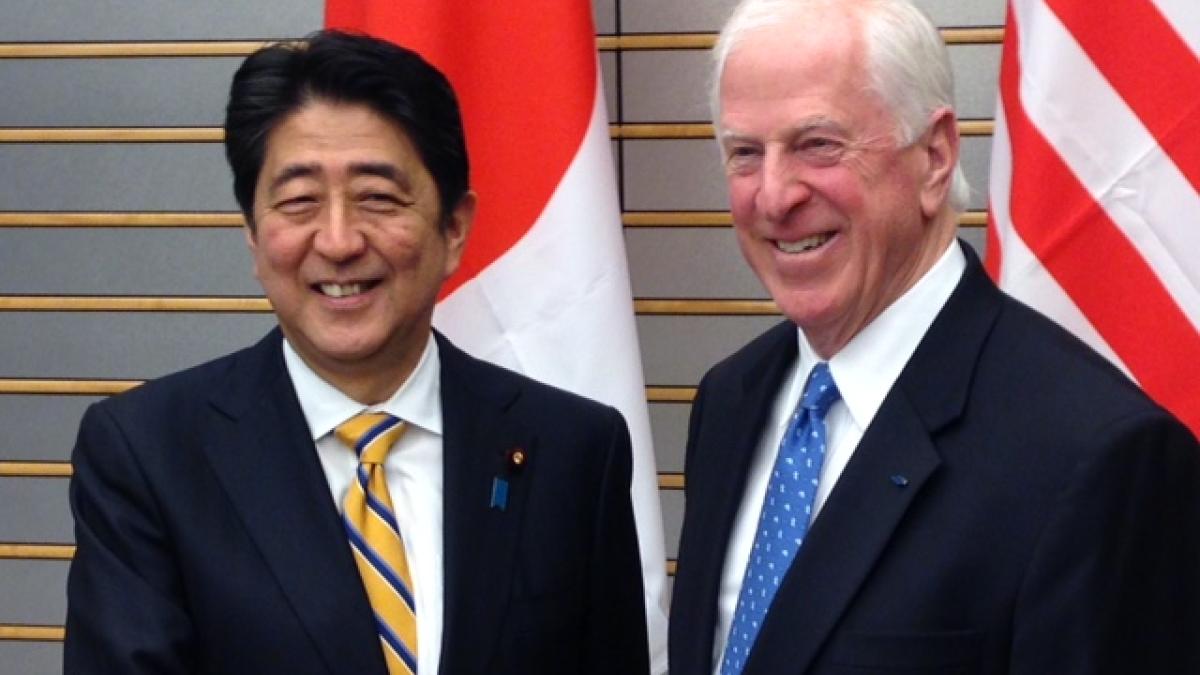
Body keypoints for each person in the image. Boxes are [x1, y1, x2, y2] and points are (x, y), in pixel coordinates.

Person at [64, 30, 649, 675]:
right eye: (299, 202)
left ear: (454, 229)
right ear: (254, 238)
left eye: (377, 197)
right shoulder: (149, 454)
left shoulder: (571, 449)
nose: (339, 241)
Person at [668, 1, 1200, 673]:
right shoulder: (730, 399)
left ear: (935, 158)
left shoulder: (1095, 456)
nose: (772, 197)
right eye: (745, 153)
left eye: (818, 144)